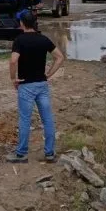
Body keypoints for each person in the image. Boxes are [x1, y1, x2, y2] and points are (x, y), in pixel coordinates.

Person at [7, 11, 66, 163]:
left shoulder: (19, 40)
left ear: (22, 23)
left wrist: (13, 78)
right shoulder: (44, 39)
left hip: (26, 85)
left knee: (25, 119)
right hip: (42, 85)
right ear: (34, 23)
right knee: (47, 119)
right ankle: (50, 153)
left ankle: (22, 154)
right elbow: (59, 57)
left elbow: (13, 61)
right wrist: (48, 74)